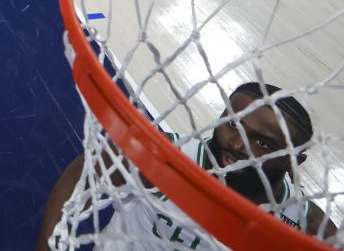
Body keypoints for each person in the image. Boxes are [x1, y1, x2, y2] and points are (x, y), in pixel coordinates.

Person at [37, 83, 338, 249]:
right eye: (232, 124)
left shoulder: (306, 225)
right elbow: (84, 171)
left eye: (262, 143)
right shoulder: (163, 156)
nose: (235, 144)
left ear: (295, 161)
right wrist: (50, 242)